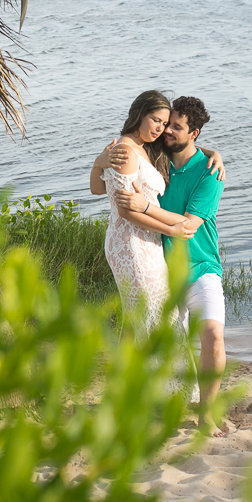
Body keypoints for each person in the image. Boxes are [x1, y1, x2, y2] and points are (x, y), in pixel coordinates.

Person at [92, 96, 229, 436]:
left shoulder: (209, 172)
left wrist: (213, 153)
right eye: (161, 122)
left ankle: (203, 412)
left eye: (172, 126)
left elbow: (190, 224)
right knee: (146, 325)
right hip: (151, 255)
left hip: (200, 266)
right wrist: (99, 161)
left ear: (193, 134)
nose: (164, 130)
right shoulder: (154, 153)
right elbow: (108, 193)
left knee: (208, 335)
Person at [91, 90, 200, 401]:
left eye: (164, 123)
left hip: (145, 241)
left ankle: (126, 390)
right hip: (130, 243)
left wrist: (212, 154)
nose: (160, 128)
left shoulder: (143, 148)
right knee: (155, 313)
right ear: (139, 114)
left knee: (138, 317)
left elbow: (97, 187)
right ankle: (164, 394)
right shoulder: (126, 152)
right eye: (155, 120)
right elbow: (125, 210)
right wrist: (171, 228)